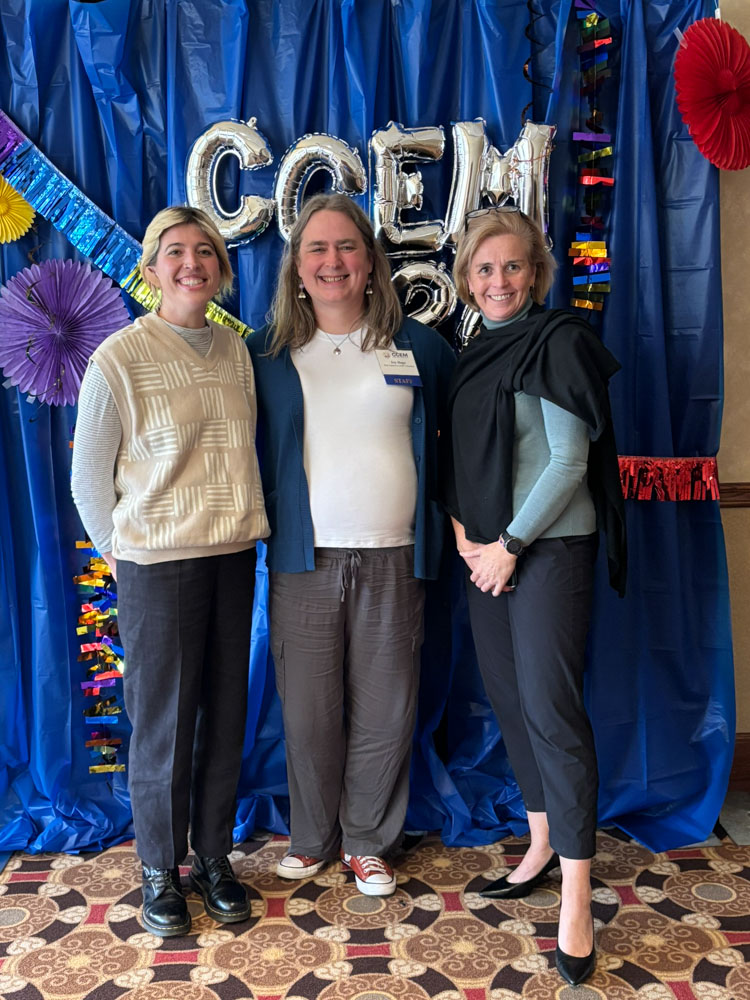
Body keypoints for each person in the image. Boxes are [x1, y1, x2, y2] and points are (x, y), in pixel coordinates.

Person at [247, 193, 455, 897]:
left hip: (396, 555)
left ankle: (368, 842)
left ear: (370, 260)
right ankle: (312, 837)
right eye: (317, 249)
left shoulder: (420, 346)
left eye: (345, 247)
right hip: (304, 561)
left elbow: (456, 448)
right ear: (297, 267)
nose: (331, 261)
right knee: (307, 714)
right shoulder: (265, 354)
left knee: (387, 708)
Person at [71, 206, 269, 937]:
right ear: (150, 270)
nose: (192, 263)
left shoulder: (237, 352)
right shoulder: (119, 357)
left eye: (205, 251)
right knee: (161, 724)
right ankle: (159, 866)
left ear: (219, 267)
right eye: (174, 252)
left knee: (223, 719)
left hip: (231, 556)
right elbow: (89, 479)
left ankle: (212, 858)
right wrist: (121, 555)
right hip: (157, 566)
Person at [444, 205, 626, 986]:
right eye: (484, 269)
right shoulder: (474, 351)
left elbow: (567, 463)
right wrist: (467, 541)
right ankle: (543, 843)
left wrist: (508, 547)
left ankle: (579, 897)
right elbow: (455, 455)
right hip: (485, 554)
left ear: (538, 272)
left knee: (553, 712)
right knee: (511, 702)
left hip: (545, 549)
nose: (498, 281)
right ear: (466, 279)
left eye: (512, 266)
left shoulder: (560, 343)